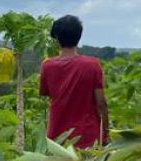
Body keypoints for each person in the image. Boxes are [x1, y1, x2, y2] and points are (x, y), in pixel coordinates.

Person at [38, 15, 109, 148]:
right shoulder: (93, 65)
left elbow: (49, 96)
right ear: (79, 36)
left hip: (58, 138)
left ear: (57, 39)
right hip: (88, 138)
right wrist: (106, 133)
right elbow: (101, 104)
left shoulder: (47, 66)